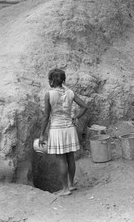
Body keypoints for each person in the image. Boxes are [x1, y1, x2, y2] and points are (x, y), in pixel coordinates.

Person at [39, 68, 88, 196]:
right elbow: (84, 106)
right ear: (63, 80)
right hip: (69, 128)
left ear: (51, 81)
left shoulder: (49, 94)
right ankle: (71, 185)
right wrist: (75, 117)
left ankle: (65, 189)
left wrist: (41, 134)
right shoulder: (70, 92)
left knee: (61, 160)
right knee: (70, 158)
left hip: (57, 129)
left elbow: (46, 116)